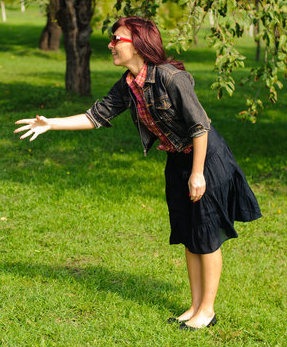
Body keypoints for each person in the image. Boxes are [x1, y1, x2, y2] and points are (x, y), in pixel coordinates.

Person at [14, 17, 262, 330]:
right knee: (189, 233)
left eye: (117, 39)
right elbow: (96, 116)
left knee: (207, 233)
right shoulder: (128, 83)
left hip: (206, 159)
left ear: (139, 43)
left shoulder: (171, 77)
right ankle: (195, 305)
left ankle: (207, 311)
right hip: (177, 159)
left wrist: (198, 173)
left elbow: (201, 125)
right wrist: (51, 123)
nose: (111, 45)